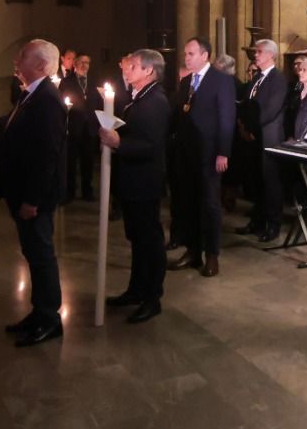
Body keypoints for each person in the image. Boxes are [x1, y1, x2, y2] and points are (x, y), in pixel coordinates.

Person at [0, 39, 68, 346]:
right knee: (33, 254)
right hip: (22, 191)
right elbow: (15, 126)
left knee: (42, 254)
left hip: (34, 196)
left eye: (22, 57)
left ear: (41, 66)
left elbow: (46, 155)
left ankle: (50, 318)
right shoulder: (31, 95)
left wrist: (32, 200)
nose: (16, 61)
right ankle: (39, 312)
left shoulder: (47, 99)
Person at [100, 49, 172, 324]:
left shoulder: (155, 101)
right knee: (137, 239)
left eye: (132, 67)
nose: (126, 71)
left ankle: (152, 297)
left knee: (149, 240)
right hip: (132, 179)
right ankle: (136, 289)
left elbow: (152, 145)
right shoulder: (138, 97)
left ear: (148, 72)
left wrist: (119, 143)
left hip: (145, 180)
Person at [169, 37, 236, 276]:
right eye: (185, 54)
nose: (186, 58)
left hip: (209, 154)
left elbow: (226, 118)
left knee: (209, 205)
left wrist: (223, 152)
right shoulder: (186, 81)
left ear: (204, 55)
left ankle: (212, 255)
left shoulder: (221, 81)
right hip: (186, 152)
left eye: (191, 54)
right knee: (188, 202)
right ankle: (193, 251)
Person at [240, 39, 286, 242]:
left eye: (259, 52)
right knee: (256, 181)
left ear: (270, 55)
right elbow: (247, 104)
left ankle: (273, 224)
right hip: (253, 136)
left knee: (271, 183)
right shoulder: (256, 78)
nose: (255, 55)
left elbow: (270, 110)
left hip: (268, 137)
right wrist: (243, 126)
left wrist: (252, 128)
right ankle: (257, 221)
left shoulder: (278, 79)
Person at [60, 52, 103, 201]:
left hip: (90, 126)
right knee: (71, 162)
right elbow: (61, 103)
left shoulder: (94, 82)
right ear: (75, 64)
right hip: (73, 125)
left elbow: (98, 103)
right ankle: (70, 191)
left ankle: (87, 191)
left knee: (88, 161)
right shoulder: (66, 82)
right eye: (82, 62)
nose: (85, 66)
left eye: (87, 63)